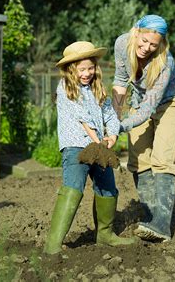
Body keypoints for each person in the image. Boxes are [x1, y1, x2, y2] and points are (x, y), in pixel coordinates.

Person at [44, 41, 136, 255]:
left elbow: (110, 114)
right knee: (73, 188)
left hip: (99, 145)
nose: (86, 73)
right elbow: (82, 117)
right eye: (82, 69)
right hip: (76, 145)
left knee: (108, 187)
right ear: (71, 69)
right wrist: (98, 140)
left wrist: (112, 135)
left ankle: (105, 235)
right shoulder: (65, 88)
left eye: (90, 68)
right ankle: (53, 245)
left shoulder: (98, 89)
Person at [112, 15, 175, 242]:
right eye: (143, 41)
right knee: (138, 161)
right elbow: (120, 80)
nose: (146, 48)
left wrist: (121, 126)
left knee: (161, 159)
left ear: (161, 44)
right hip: (140, 101)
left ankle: (162, 225)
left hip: (169, 103)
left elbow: (149, 108)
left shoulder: (165, 62)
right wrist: (113, 119)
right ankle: (151, 218)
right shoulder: (122, 44)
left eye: (153, 45)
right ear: (136, 31)